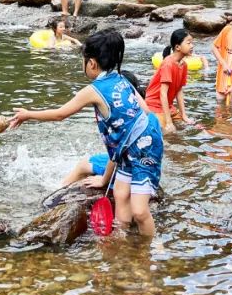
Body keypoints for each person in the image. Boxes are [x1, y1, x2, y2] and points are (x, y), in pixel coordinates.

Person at [10, 30, 163, 237]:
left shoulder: (94, 90)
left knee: (140, 210)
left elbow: (60, 115)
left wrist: (28, 114)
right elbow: (146, 111)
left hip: (144, 148)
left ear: (91, 63)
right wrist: (103, 178)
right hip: (130, 147)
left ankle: (150, 251)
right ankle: (121, 240)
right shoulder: (121, 79)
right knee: (119, 194)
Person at [59, 70, 146, 187]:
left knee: (83, 165)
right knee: (92, 159)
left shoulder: (120, 117)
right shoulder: (139, 111)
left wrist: (104, 179)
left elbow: (116, 154)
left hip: (128, 166)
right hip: (140, 161)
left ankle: (60, 188)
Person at [145, 29, 194, 132]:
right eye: (188, 43)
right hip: (155, 105)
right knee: (169, 133)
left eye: (192, 43)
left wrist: (184, 115)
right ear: (177, 47)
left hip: (168, 106)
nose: (192, 46)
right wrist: (168, 121)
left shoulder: (183, 65)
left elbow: (179, 90)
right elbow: (163, 93)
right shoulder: (168, 64)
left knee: (185, 127)